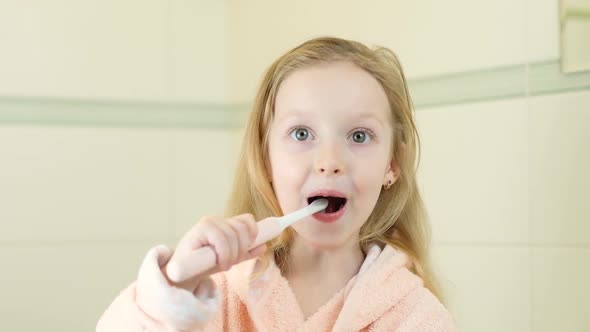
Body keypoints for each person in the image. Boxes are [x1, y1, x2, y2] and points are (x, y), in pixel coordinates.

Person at [97, 36, 455, 331]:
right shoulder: (212, 301)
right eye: (302, 133)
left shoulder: (416, 318)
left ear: (391, 164)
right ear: (266, 159)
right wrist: (171, 293)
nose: (329, 162)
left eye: (359, 136)